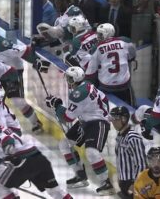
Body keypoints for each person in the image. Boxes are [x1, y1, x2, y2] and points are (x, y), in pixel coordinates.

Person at [45, 66, 115, 195]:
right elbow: (104, 99)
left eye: (70, 78)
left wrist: (56, 105)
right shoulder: (87, 84)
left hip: (98, 122)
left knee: (92, 152)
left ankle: (107, 184)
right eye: (67, 77)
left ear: (76, 79)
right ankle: (80, 175)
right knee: (64, 144)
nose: (67, 80)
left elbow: (67, 117)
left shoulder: (78, 94)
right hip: (85, 121)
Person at [0, 114, 73, 199]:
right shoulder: (4, 130)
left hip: (26, 163)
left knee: (1, 188)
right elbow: (0, 156)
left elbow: (7, 143)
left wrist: (9, 152)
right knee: (55, 191)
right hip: (40, 160)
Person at [0, 21, 47, 133]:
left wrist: (36, 60)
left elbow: (22, 50)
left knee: (17, 100)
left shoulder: (0, 43)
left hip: (13, 73)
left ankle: (35, 123)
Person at [85, 23, 137, 106]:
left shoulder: (97, 47)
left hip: (106, 87)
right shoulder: (125, 41)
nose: (98, 37)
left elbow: (90, 74)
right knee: (131, 107)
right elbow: (132, 55)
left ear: (107, 33)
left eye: (100, 34)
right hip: (124, 85)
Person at [109, 106, 147, 199]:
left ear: (124, 119)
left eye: (115, 119)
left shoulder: (132, 137)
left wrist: (135, 183)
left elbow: (141, 164)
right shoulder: (120, 135)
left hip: (132, 184)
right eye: (112, 118)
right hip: (124, 182)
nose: (113, 121)